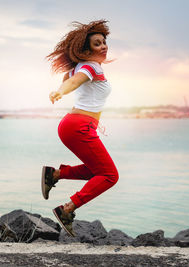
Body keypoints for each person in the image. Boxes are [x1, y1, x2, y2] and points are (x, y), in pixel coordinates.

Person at [42, 20, 118, 237]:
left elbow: (71, 79)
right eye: (97, 44)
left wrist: (61, 88)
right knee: (110, 175)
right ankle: (67, 209)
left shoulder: (83, 67)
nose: (104, 46)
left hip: (75, 125)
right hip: (79, 126)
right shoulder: (90, 67)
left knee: (98, 171)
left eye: (104, 42)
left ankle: (54, 174)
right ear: (85, 50)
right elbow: (74, 82)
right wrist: (61, 92)